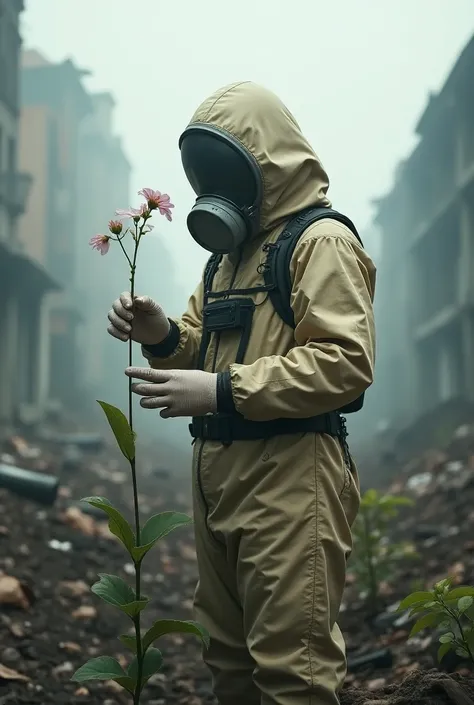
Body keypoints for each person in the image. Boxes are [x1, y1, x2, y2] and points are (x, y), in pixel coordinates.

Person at [107, 81, 376, 705]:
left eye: (226, 169)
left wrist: (222, 391)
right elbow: (205, 347)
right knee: (229, 661)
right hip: (219, 477)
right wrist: (162, 333)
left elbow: (345, 362)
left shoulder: (321, 242)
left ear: (267, 163)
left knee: (292, 671)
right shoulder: (227, 260)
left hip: (290, 475)